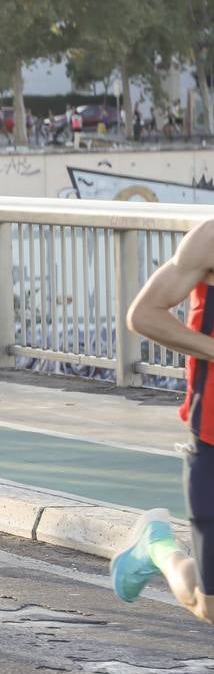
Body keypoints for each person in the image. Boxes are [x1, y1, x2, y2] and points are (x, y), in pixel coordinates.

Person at [113, 222, 214, 625]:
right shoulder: (209, 238)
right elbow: (144, 314)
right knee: (208, 606)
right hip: (212, 437)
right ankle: (156, 548)